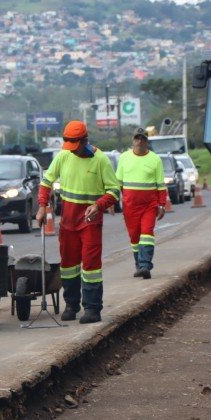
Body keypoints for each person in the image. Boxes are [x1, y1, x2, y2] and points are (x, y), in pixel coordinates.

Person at [36, 120, 120, 324]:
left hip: (90, 220)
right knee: (68, 265)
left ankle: (92, 308)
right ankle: (71, 304)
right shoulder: (64, 155)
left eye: (76, 146)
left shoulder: (100, 160)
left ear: (85, 141)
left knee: (90, 266)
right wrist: (41, 206)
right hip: (68, 221)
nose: (72, 151)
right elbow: (46, 182)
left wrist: (99, 205)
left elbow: (114, 191)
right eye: (69, 146)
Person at [116, 127, 167, 279]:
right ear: (133, 141)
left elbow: (161, 185)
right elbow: (117, 183)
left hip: (149, 206)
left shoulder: (155, 159)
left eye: (143, 138)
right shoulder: (124, 157)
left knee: (147, 233)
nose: (139, 141)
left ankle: (145, 264)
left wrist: (162, 205)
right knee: (134, 237)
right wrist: (111, 202)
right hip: (129, 206)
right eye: (137, 138)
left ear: (147, 141)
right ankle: (139, 265)